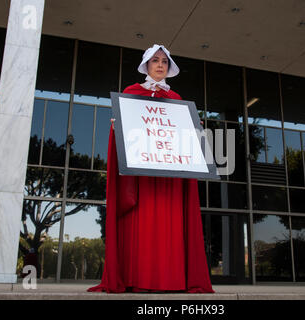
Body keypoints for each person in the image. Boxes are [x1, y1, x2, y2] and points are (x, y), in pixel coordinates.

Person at [88, 44, 214, 293]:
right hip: (142, 178)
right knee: (141, 228)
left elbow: (182, 140)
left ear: (169, 68)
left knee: (170, 228)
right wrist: (117, 126)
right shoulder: (131, 93)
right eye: (155, 60)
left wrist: (193, 128)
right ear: (146, 64)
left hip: (170, 180)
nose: (159, 65)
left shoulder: (177, 100)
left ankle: (171, 281)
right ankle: (138, 280)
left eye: (164, 62)